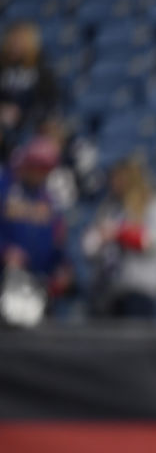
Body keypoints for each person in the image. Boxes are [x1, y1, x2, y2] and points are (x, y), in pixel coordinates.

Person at [81, 156, 156, 318]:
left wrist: (117, 233)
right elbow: (89, 246)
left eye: (121, 178)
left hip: (139, 289)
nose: (115, 183)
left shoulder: (155, 204)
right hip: (107, 290)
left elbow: (149, 241)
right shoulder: (110, 207)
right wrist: (101, 239)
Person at [0, 136, 71, 326]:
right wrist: (5, 250)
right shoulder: (4, 188)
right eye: (37, 167)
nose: (41, 173)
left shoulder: (48, 198)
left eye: (46, 168)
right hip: (6, 278)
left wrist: (62, 265)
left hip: (38, 282)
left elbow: (57, 240)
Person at [0, 21, 60, 156]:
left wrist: (23, 115)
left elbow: (50, 101)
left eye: (19, 42)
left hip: (32, 123)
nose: (15, 46)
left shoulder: (41, 68)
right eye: (12, 41)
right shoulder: (2, 67)